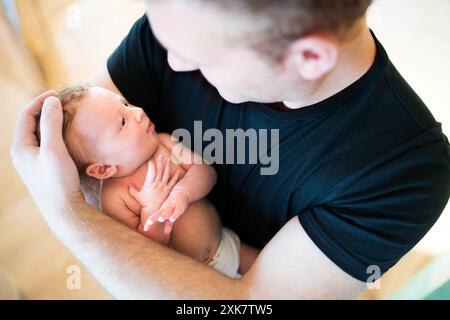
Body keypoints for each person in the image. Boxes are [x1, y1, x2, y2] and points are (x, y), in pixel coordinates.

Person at [11, 0, 450, 299]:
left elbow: (249, 303)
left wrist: (64, 212)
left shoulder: (403, 171)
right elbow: (83, 154)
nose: (175, 62)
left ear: (310, 57)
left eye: (200, 56)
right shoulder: (179, 29)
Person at [34, 85, 257, 278]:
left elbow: (206, 172)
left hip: (228, 244)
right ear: (103, 169)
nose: (138, 113)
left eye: (126, 105)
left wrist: (183, 193)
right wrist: (152, 208)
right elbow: (146, 252)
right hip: (195, 276)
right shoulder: (115, 198)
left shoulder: (164, 143)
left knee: (274, 282)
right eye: (122, 122)